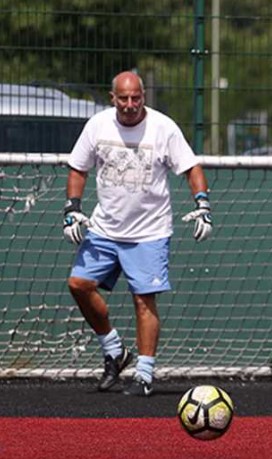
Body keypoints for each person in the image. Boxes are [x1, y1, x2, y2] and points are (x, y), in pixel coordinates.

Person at [63, 71, 213, 397]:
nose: (130, 105)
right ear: (112, 98)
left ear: (143, 96)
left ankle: (144, 374)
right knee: (78, 284)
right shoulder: (97, 125)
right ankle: (115, 350)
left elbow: (191, 168)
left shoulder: (164, 127)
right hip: (105, 229)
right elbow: (78, 167)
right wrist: (72, 208)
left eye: (136, 98)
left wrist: (203, 204)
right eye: (123, 99)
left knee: (143, 300)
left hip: (150, 232)